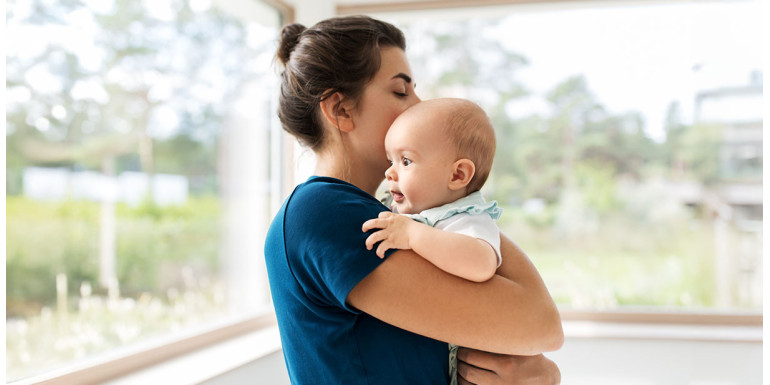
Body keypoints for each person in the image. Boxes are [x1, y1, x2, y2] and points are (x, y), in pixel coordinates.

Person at [265, 15, 563, 385]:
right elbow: (541, 324)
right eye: (401, 91)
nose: (419, 105)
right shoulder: (325, 214)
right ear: (341, 110)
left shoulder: (392, 216)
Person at [362, 98, 506, 384]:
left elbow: (481, 263)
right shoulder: (415, 211)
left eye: (405, 161)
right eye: (391, 160)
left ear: (457, 175)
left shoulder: (467, 218)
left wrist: (413, 235)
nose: (389, 172)